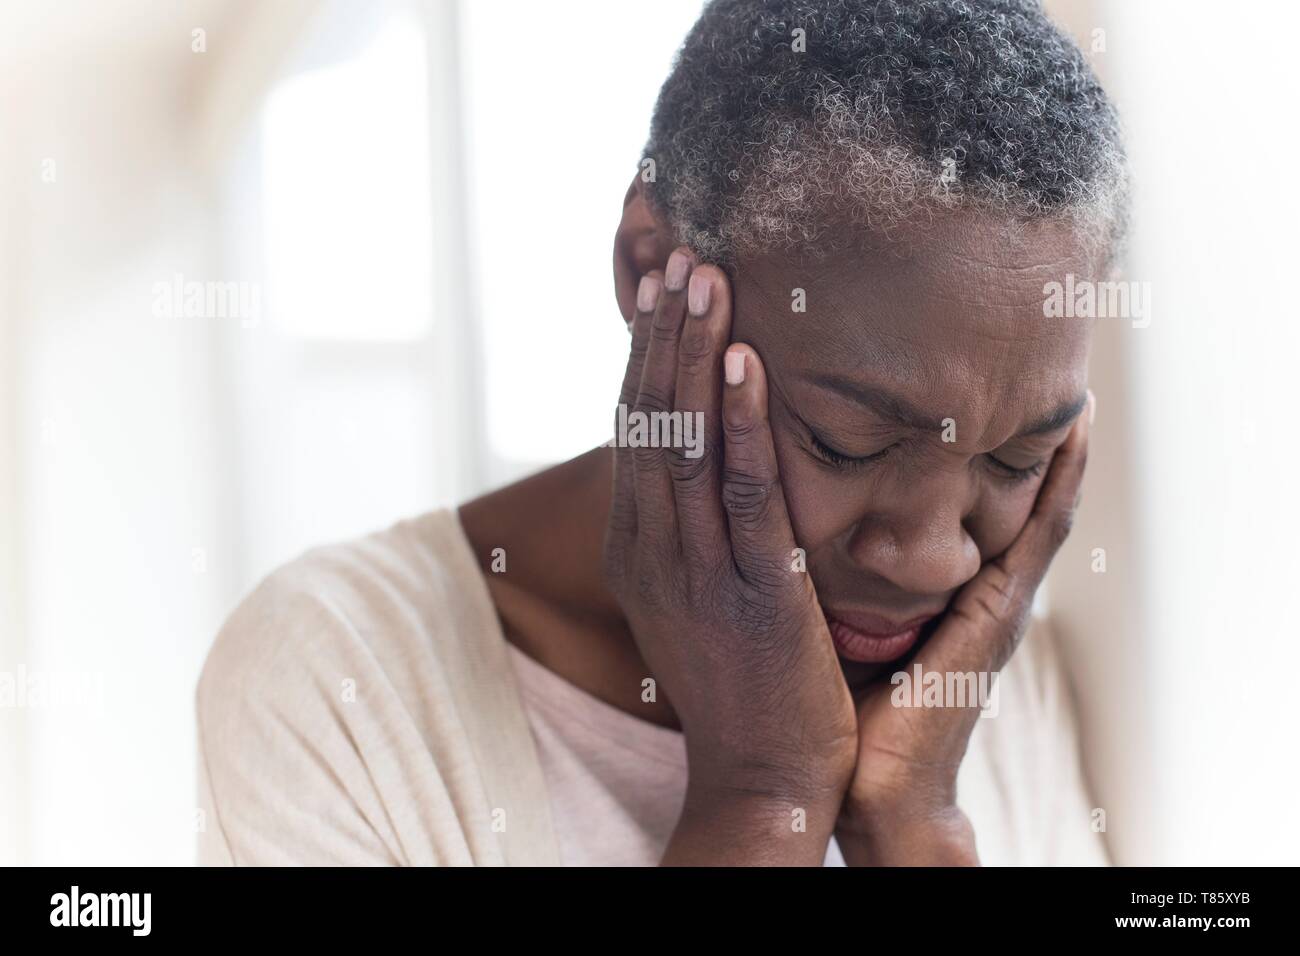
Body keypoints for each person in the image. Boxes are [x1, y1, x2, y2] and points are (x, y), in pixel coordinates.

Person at [197, 0, 1125, 866]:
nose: (932, 562)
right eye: (847, 441)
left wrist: (917, 823)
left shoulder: (990, 682)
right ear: (652, 270)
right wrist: (762, 800)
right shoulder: (338, 681)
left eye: (1017, 460)